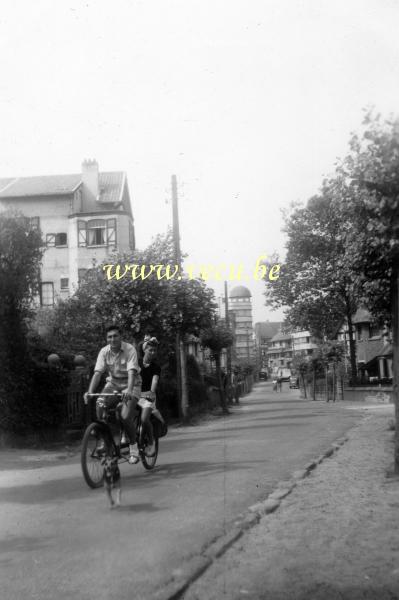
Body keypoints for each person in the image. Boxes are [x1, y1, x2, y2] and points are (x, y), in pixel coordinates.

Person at [84, 324, 141, 464]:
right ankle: (105, 442)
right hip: (113, 385)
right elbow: (98, 373)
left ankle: (134, 448)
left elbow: (132, 372)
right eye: (109, 337)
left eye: (115, 336)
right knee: (99, 405)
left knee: (125, 416)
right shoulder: (104, 352)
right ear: (106, 338)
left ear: (121, 337)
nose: (112, 339)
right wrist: (90, 391)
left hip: (131, 384)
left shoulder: (129, 349)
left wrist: (128, 389)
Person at [137, 336, 164, 456]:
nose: (153, 353)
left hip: (148, 396)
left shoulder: (156, 367)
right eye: (150, 350)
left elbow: (155, 380)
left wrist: (152, 393)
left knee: (144, 419)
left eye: (154, 350)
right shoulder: (136, 363)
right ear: (144, 350)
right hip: (136, 394)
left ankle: (151, 443)